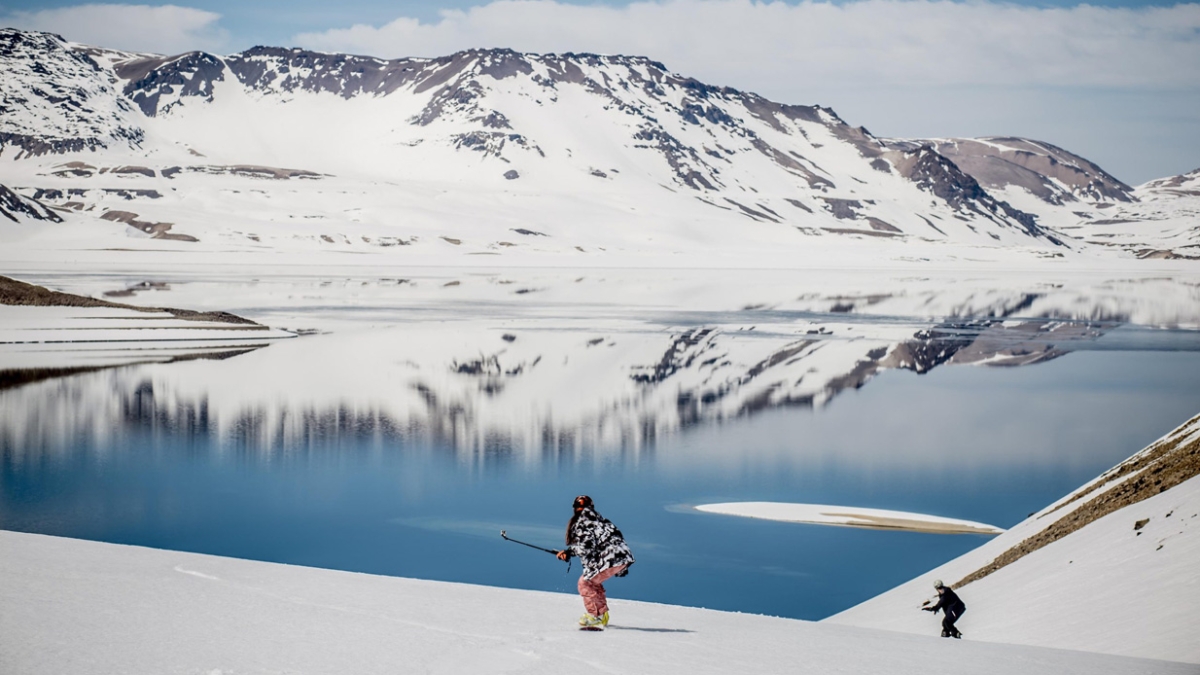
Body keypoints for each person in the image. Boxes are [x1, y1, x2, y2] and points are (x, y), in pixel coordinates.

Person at [554, 495, 635, 628]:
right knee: (593, 583)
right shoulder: (602, 521)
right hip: (621, 558)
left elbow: (586, 547)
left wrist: (568, 552)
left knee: (585, 583)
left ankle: (595, 616)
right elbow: (616, 539)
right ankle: (601, 614)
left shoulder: (583, 522)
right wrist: (622, 566)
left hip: (609, 558)